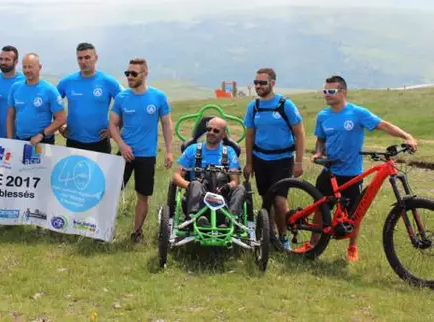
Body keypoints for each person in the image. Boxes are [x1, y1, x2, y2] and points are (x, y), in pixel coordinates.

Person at [301, 75, 418, 261]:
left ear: (343, 92)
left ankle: (352, 248)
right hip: (330, 171)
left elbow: (383, 125)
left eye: (331, 91)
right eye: (325, 91)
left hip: (352, 173)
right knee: (321, 208)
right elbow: (321, 140)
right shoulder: (323, 116)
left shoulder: (357, 113)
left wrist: (407, 136)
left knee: (355, 214)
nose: (327, 95)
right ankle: (313, 244)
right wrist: (317, 153)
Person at [109, 57, 174, 242]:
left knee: (143, 196)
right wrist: (121, 146)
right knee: (110, 192)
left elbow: (166, 124)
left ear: (145, 74)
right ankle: (105, 229)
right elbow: (113, 125)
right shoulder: (122, 98)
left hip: (146, 155)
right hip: (124, 153)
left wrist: (169, 151)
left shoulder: (158, 97)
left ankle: (136, 233)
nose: (129, 77)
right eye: (127, 73)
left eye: (133, 73)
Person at [243, 67, 305, 249]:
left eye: (262, 82)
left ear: (273, 83)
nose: (258, 86)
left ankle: (284, 237)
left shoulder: (285, 105)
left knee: (280, 200)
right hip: (260, 159)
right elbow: (250, 135)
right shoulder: (254, 107)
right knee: (267, 199)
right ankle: (269, 237)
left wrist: (299, 162)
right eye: (256, 82)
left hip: (283, 160)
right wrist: (249, 163)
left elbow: (300, 133)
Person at [172, 117, 245, 225]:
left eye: (216, 131)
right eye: (209, 129)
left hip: (222, 195)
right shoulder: (192, 149)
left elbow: (235, 181)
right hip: (198, 196)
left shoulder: (229, 152)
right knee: (196, 183)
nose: (211, 132)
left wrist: (228, 186)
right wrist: (190, 186)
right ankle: (194, 218)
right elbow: (176, 176)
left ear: (224, 135)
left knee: (241, 188)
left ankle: (231, 219)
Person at [57, 42, 121, 153]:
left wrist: (115, 129)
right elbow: (51, 104)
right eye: (80, 58)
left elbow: (127, 103)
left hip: (100, 142)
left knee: (100, 171)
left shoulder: (108, 81)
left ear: (96, 58)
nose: (83, 62)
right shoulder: (66, 82)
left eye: (87, 57)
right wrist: (60, 125)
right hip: (73, 141)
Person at [7, 53, 66, 144]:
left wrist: (42, 134)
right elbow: (10, 116)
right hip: (20, 140)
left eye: (30, 67)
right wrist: (10, 140)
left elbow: (61, 118)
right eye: (24, 67)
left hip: (43, 141)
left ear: (39, 67)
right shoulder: (15, 88)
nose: (27, 70)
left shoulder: (49, 90)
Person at [0, 45, 25, 139]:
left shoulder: (24, 81)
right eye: (1, 59)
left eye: (7, 59)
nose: (3, 62)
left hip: (20, 138)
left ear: (16, 62)